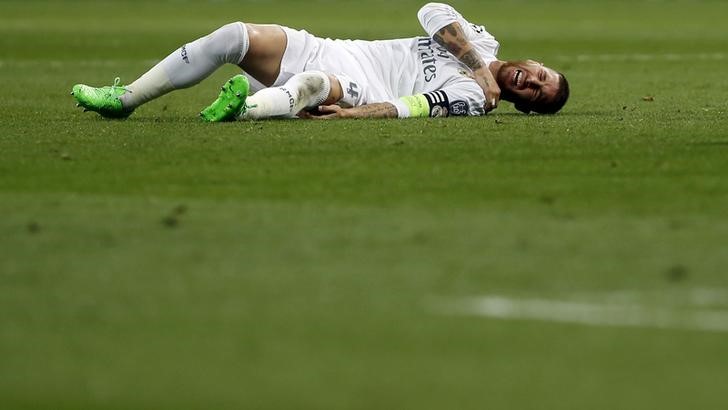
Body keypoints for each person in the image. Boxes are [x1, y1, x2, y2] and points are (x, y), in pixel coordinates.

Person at [71, 2, 569, 121]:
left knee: (312, 83)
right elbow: (432, 10)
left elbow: (413, 106)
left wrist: (358, 114)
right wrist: (480, 62)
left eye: (537, 94)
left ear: (523, 105)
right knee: (234, 35)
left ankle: (242, 109)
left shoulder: (476, 100)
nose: (533, 82)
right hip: (338, 47)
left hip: (359, 84)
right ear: (538, 61)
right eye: (543, 75)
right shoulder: (481, 41)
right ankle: (126, 98)